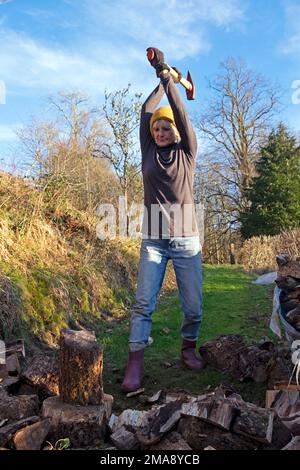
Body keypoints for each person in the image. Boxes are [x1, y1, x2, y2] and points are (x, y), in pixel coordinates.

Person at [121, 47, 203, 393]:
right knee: (143, 303)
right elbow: (145, 111)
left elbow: (180, 111)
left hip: (186, 240)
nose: (160, 130)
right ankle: (135, 363)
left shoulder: (188, 153)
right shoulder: (148, 152)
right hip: (153, 239)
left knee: (193, 307)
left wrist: (170, 82)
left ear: (176, 130)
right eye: (157, 127)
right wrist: (162, 77)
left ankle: (188, 347)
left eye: (166, 126)